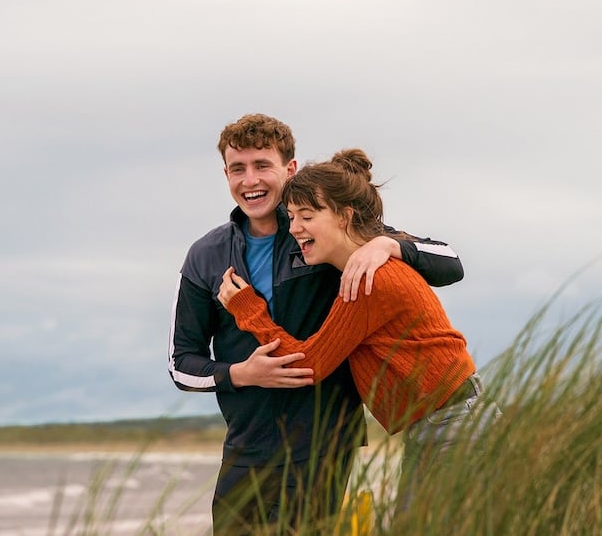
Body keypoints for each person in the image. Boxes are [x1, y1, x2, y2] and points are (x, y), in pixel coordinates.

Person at [167, 114, 464, 534]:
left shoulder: (323, 230)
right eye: (238, 168)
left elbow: (450, 261)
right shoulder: (206, 256)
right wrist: (239, 373)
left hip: (323, 444)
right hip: (247, 444)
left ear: (289, 169)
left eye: (262, 165)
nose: (250, 180)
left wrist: (386, 243)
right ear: (226, 175)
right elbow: (182, 363)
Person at [217, 148, 499, 514]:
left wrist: (249, 310)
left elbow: (310, 363)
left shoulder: (369, 279)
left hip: (453, 425)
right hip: (445, 421)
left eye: (307, 216)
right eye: (290, 217)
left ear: (344, 216)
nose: (295, 227)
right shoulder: (359, 271)